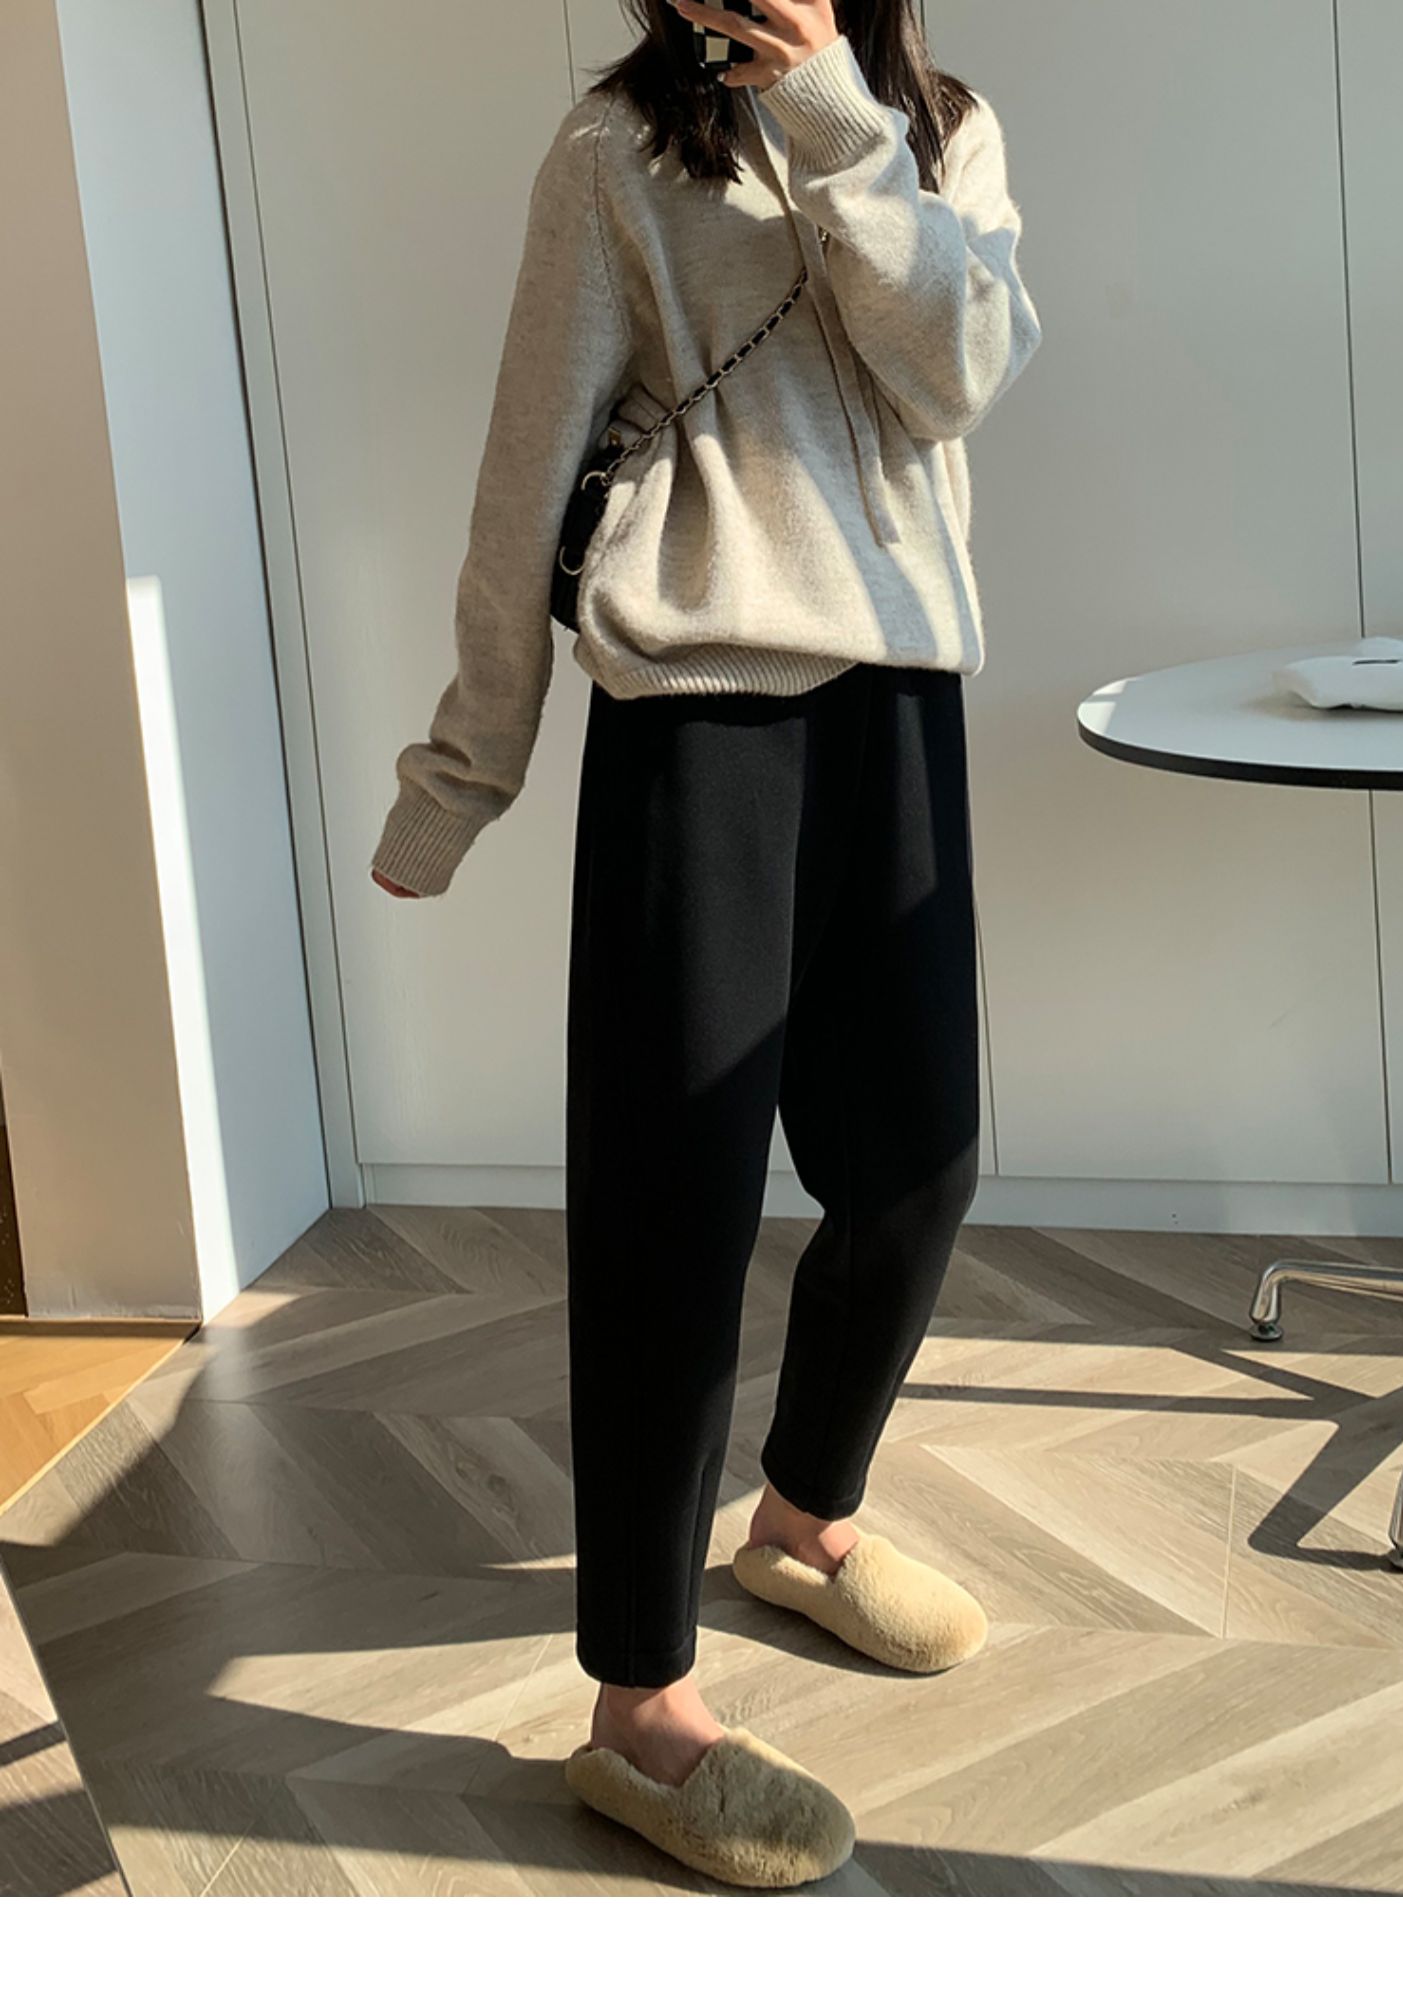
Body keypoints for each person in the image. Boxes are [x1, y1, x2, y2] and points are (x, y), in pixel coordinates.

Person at [371, 0, 1040, 1888]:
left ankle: (804, 1520)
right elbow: (528, 468)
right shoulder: (615, 151)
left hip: (900, 693)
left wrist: (830, 113)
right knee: (672, 1205)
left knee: (919, 1160)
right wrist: (462, 774)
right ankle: (640, 1704)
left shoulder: (938, 127)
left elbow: (959, 373)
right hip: (694, 715)